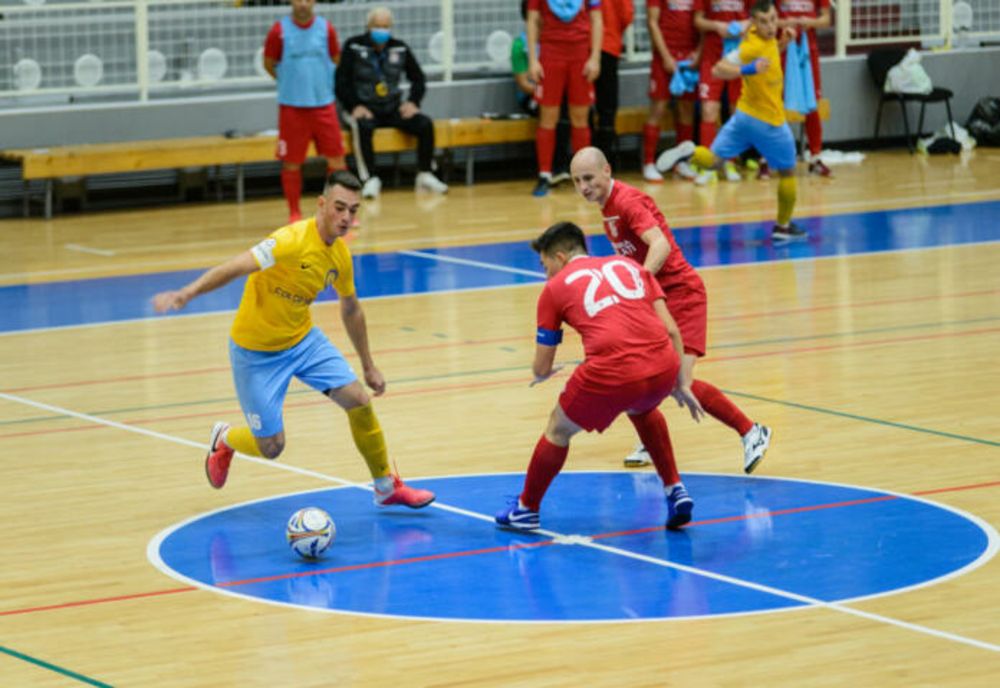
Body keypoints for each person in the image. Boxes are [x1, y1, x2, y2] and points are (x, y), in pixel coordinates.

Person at [151, 170, 434, 509]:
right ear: (322, 204)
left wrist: (369, 366)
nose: (346, 218)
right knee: (271, 446)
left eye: (353, 210)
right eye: (339, 208)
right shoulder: (289, 241)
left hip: (303, 342)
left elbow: (351, 309)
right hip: (255, 352)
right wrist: (187, 292)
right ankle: (225, 439)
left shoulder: (340, 256)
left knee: (359, 399)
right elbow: (237, 265)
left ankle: (385, 487)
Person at [571, 146, 773, 470]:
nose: (583, 187)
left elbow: (660, 244)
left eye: (589, 178)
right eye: (577, 181)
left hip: (682, 294)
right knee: (637, 373)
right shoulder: (607, 207)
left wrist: (638, 281)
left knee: (680, 382)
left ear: (607, 170)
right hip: (656, 299)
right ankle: (651, 440)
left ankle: (752, 432)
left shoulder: (626, 202)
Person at [494, 221, 704, 531]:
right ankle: (675, 489)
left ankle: (526, 509)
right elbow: (672, 329)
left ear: (561, 257)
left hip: (613, 370)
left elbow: (541, 366)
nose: (546, 274)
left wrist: (542, 374)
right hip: (662, 362)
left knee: (558, 429)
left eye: (545, 265)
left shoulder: (555, 287)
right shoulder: (630, 265)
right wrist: (679, 381)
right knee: (643, 407)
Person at [657, 0, 807, 241]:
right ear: (753, 23)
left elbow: (766, 57)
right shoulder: (750, 45)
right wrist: (747, 70)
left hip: (743, 118)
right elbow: (718, 69)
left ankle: (689, 152)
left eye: (772, 19)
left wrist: (783, 43)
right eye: (763, 21)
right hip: (769, 123)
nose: (770, 25)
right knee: (788, 173)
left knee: (713, 162)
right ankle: (783, 226)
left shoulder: (766, 40)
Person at [334, 6, 448, 200]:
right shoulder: (353, 46)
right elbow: (340, 82)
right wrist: (355, 106)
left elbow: (418, 78)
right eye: (377, 26)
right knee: (362, 126)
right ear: (368, 26)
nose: (381, 30)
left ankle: (425, 173)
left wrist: (412, 102)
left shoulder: (400, 47)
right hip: (363, 108)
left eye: (386, 26)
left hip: (392, 107)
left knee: (424, 124)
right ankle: (369, 179)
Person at [263, 0, 347, 223]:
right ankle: (294, 213)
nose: (303, 3)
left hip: (323, 105)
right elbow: (269, 63)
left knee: (337, 159)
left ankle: (337, 211)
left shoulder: (326, 28)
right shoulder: (278, 31)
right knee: (292, 162)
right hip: (292, 108)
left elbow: (336, 59)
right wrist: (290, 82)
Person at [526, 0, 603, 197]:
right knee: (548, 118)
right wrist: (533, 60)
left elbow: (597, 19)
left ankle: (584, 176)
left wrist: (595, 57)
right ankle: (544, 174)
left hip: (580, 53)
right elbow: (533, 20)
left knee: (580, 118)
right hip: (551, 53)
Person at [512, 0, 572, 186]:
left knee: (571, 113)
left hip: (554, 93)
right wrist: (546, 90)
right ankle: (549, 170)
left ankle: (565, 168)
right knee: (554, 115)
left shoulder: (554, 41)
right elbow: (523, 83)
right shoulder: (520, 45)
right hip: (530, 96)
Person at [691, 0, 751, 184]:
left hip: (739, 55)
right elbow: (698, 20)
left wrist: (745, 25)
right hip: (712, 55)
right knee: (708, 110)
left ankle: (730, 162)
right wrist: (716, 25)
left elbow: (759, 17)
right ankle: (708, 165)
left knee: (736, 111)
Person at [643, 0, 701, 182]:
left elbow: (702, 22)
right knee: (658, 108)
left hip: (688, 58)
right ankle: (649, 162)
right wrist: (666, 56)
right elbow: (652, 22)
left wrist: (699, 52)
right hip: (664, 57)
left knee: (687, 109)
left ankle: (682, 162)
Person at [777, 0, 832, 176]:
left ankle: (815, 157)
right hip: (782, 48)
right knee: (773, 102)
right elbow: (762, 18)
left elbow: (826, 19)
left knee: (812, 103)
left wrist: (810, 23)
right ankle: (768, 158)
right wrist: (786, 24)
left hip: (807, 50)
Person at [592, 0, 634, 167]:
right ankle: (605, 161)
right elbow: (626, 15)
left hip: (582, 45)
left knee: (581, 107)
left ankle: (580, 160)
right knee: (607, 109)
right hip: (609, 44)